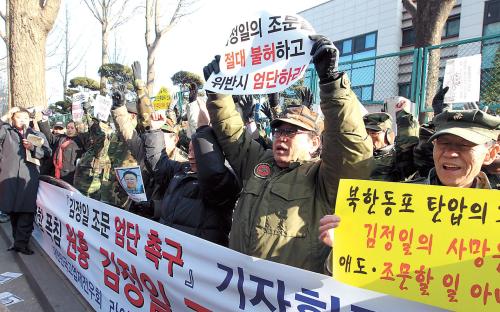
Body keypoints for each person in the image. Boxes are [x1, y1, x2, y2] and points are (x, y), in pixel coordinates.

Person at [202, 34, 372, 273]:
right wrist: (217, 91)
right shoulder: (259, 162)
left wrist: (332, 84)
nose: (281, 136)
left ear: (315, 142)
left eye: (292, 132)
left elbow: (350, 148)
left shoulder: (324, 179)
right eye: (279, 130)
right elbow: (231, 133)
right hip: (239, 290)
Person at [143, 112, 240, 246]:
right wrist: (154, 129)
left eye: (198, 152)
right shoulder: (182, 170)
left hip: (196, 259)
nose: (191, 156)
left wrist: (204, 131)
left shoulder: (226, 179)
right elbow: (158, 165)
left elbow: (213, 173)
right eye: (189, 150)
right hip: (168, 251)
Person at [0, 108, 52, 254]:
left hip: (28, 177)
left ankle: (22, 244)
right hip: (8, 176)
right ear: (12, 118)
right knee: (12, 211)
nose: (22, 120)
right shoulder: (6, 131)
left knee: (26, 210)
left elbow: (48, 153)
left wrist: (33, 148)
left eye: (25, 117)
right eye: (18, 117)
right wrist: (5, 115)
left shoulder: (36, 134)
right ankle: (16, 242)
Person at [37, 117, 87, 184]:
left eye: (72, 128)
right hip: (56, 173)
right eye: (68, 127)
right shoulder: (61, 137)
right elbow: (48, 135)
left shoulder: (81, 140)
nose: (69, 130)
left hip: (71, 175)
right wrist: (44, 120)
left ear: (77, 129)